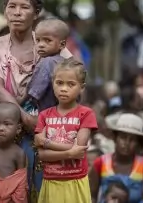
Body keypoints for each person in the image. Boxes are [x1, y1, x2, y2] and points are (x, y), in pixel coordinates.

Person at [0, 0, 71, 200]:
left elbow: (73, 76)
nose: (17, 13)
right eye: (12, 7)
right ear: (4, 11)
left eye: (24, 7)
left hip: (52, 130)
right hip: (10, 131)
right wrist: (28, 120)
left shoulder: (51, 41)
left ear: (36, 13)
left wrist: (44, 123)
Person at [34, 58, 97, 202]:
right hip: (51, 181)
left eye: (71, 84)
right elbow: (42, 155)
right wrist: (69, 152)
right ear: (53, 84)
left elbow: (78, 151)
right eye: (59, 83)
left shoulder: (86, 114)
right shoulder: (44, 115)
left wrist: (47, 143)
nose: (64, 88)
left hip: (75, 181)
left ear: (82, 87)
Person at [89, 113, 143, 203]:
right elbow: (92, 196)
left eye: (132, 139)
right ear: (115, 138)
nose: (126, 143)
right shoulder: (100, 163)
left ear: (138, 143)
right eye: (123, 137)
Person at [25, 18, 68, 111]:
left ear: (62, 44)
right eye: (38, 40)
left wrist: (19, 101)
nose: (41, 45)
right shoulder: (67, 63)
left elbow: (34, 93)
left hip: (46, 113)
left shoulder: (47, 63)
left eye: (47, 40)